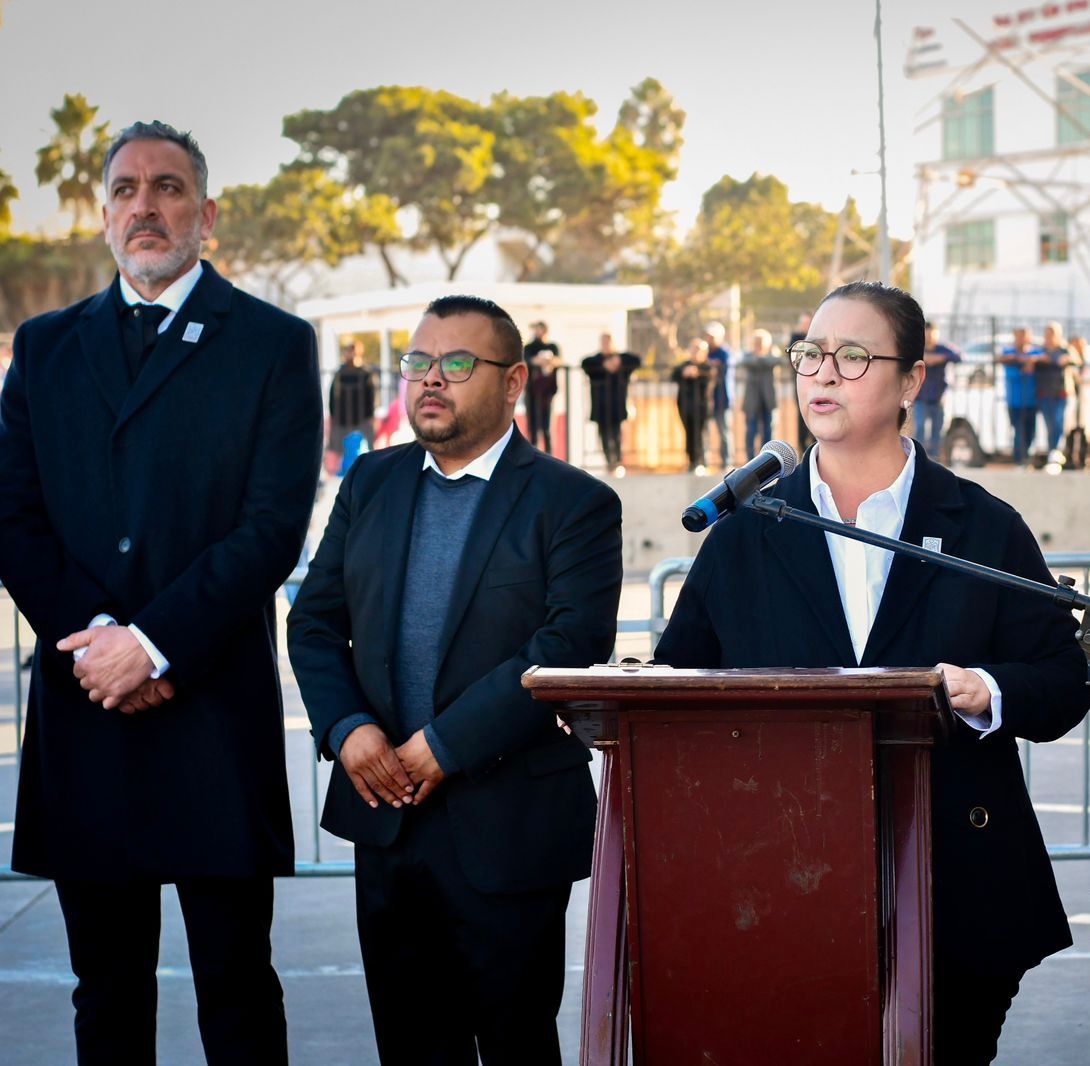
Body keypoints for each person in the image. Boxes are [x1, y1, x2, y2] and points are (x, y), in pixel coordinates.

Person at [655, 281, 1087, 1065]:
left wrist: (984, 690)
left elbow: (1062, 679)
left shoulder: (982, 525)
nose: (821, 374)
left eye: (852, 356)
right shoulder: (748, 531)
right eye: (809, 354)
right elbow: (677, 685)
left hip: (959, 880)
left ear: (912, 381)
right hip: (780, 884)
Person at [0, 120, 323, 1064]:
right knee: (103, 992)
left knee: (237, 988)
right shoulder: (46, 346)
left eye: (170, 187)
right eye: (128, 188)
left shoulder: (272, 344)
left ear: (206, 214)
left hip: (211, 710)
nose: (148, 205)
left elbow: (271, 528)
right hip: (85, 702)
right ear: (104, 215)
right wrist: (101, 640)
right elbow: (13, 518)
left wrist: (152, 643)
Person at [287, 294, 622, 1065]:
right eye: (419, 363)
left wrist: (442, 746)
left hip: (508, 828)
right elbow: (312, 622)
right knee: (410, 1046)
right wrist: (348, 730)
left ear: (513, 384)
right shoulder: (371, 482)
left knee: (514, 1046)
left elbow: (566, 645)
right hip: (387, 821)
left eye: (458, 364)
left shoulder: (573, 502)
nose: (431, 380)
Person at [581, 331, 641, 475]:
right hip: (600, 404)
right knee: (604, 435)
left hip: (617, 404)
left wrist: (618, 361)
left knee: (616, 434)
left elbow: (636, 360)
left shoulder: (621, 358)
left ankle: (618, 461)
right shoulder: (595, 360)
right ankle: (610, 462)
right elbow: (585, 363)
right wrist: (604, 364)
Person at [915, 320, 961, 457]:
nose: (930, 337)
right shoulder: (917, 349)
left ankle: (934, 460)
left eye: (932, 334)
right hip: (920, 396)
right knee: (920, 429)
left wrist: (940, 358)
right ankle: (919, 458)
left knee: (937, 430)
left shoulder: (943, 349)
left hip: (939, 397)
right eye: (927, 334)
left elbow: (959, 356)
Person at [329, 338, 376, 464]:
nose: (350, 354)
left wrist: (371, 415)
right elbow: (332, 395)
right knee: (340, 453)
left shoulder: (365, 373)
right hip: (342, 420)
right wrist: (333, 416)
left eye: (352, 351)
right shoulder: (339, 373)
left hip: (362, 419)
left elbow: (371, 395)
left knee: (367, 451)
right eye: (347, 351)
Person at [999, 327, 1041, 465]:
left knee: (1030, 431)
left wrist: (1031, 360)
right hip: (1014, 401)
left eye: (1025, 336)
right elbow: (1004, 360)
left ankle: (1026, 456)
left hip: (1031, 401)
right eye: (1019, 336)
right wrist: (1023, 362)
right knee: (1019, 430)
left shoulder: (1035, 352)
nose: (1022, 339)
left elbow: (1044, 357)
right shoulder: (1008, 352)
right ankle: (1020, 459)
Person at [672, 337, 714, 473]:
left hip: (701, 406)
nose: (695, 353)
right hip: (684, 405)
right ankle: (692, 461)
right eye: (693, 349)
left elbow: (711, 376)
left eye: (699, 350)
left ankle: (701, 460)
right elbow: (674, 375)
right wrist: (685, 373)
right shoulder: (684, 365)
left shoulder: (707, 367)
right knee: (689, 433)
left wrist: (698, 373)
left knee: (700, 433)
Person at [737, 328, 780, 460]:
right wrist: (760, 359)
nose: (759, 345)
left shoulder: (772, 356)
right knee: (751, 430)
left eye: (761, 342)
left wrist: (762, 358)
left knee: (768, 431)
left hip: (767, 400)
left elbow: (778, 361)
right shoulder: (748, 356)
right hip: (751, 401)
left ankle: (766, 459)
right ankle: (750, 460)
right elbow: (744, 362)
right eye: (757, 342)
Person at [1035, 321, 1073, 463]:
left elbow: (1076, 359)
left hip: (1060, 393)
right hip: (1045, 393)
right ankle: (1052, 450)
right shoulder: (1041, 351)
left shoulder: (1064, 350)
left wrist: (1067, 359)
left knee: (1058, 423)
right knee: (1049, 424)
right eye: (1047, 334)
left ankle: (1055, 451)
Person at [523, 319, 562, 453]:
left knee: (547, 427)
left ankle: (549, 455)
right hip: (532, 390)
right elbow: (528, 360)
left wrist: (549, 360)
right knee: (532, 426)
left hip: (548, 391)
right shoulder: (529, 347)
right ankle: (532, 455)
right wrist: (539, 361)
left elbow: (558, 360)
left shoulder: (552, 347)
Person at [704, 321, 732, 467]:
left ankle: (726, 461)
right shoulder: (705, 352)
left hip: (722, 399)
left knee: (723, 431)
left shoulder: (724, 353)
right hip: (706, 400)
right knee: (705, 431)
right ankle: (705, 460)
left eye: (712, 337)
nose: (709, 339)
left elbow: (722, 370)